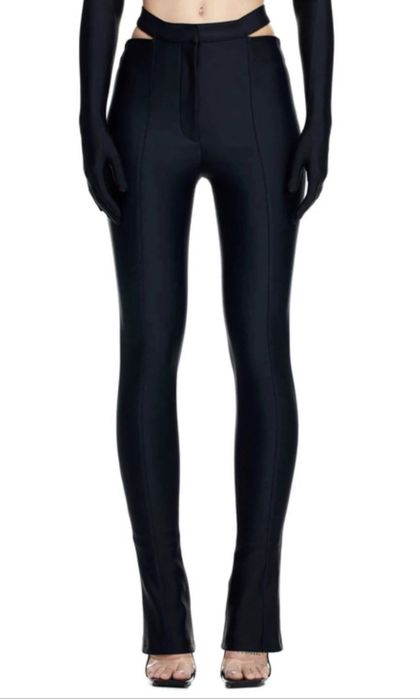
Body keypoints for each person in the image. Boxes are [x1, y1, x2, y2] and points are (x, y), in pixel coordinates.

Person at [79, 0, 333, 689]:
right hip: (147, 84)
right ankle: (165, 623)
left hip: (252, 80)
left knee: (261, 348)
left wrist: (320, 118)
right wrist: (89, 117)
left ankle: (252, 619)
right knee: (147, 348)